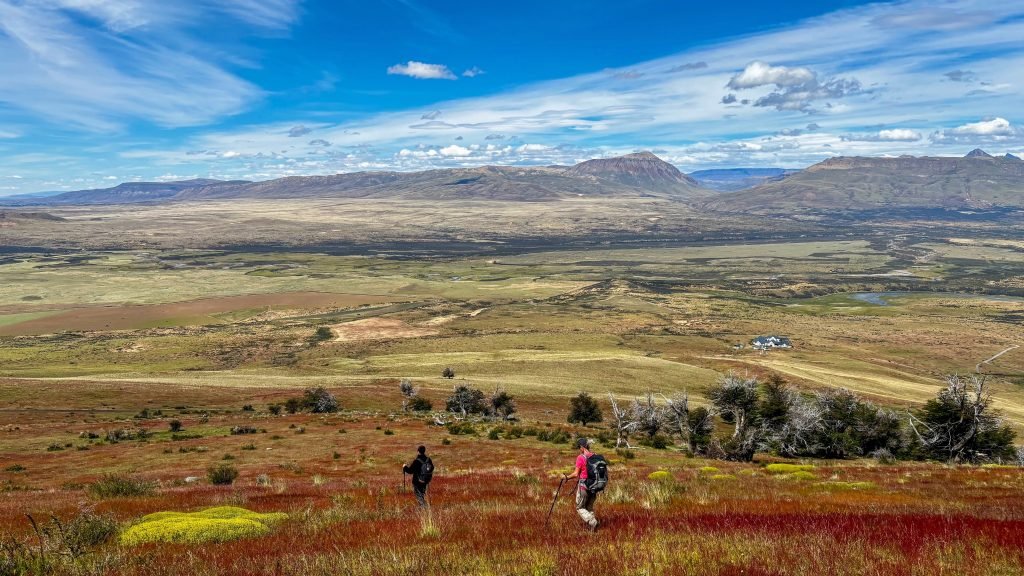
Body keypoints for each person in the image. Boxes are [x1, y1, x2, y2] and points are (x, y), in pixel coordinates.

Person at [563, 437, 599, 531]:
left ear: (582, 447)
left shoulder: (580, 457)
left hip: (584, 486)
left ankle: (592, 522)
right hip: (594, 486)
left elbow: (575, 474)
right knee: (589, 507)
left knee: (580, 507)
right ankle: (592, 530)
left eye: (579, 447)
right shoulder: (595, 456)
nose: (579, 449)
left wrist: (566, 477)